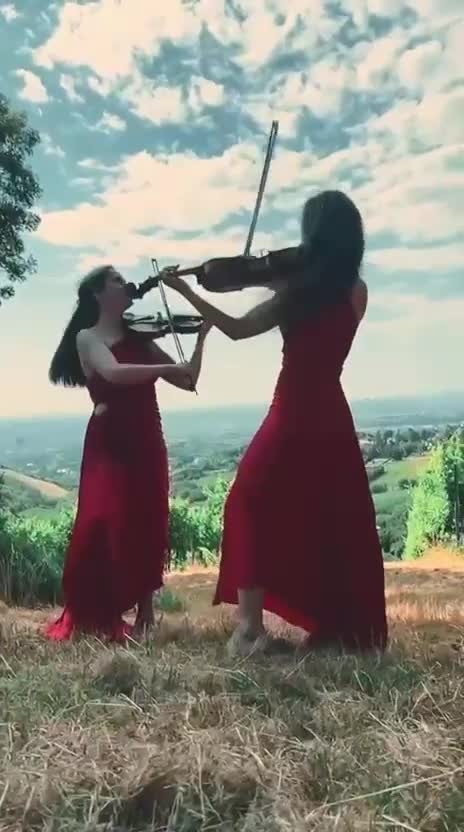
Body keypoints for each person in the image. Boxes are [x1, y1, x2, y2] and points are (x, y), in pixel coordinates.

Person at [161, 190, 388, 656]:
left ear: (313, 234)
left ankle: (249, 630)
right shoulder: (355, 291)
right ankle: (341, 628)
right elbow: (309, 299)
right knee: (332, 517)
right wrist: (264, 273)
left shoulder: (297, 290)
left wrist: (187, 291)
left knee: (247, 500)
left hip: (293, 406)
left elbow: (237, 328)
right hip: (332, 411)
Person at [45, 265, 210, 642]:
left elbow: (188, 379)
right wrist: (164, 365)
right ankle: (100, 607)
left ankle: (146, 616)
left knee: (148, 517)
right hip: (110, 438)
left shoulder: (141, 336)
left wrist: (201, 338)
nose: (126, 283)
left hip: (147, 433)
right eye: (116, 279)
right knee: (105, 522)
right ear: (97, 294)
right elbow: (114, 372)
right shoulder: (87, 337)